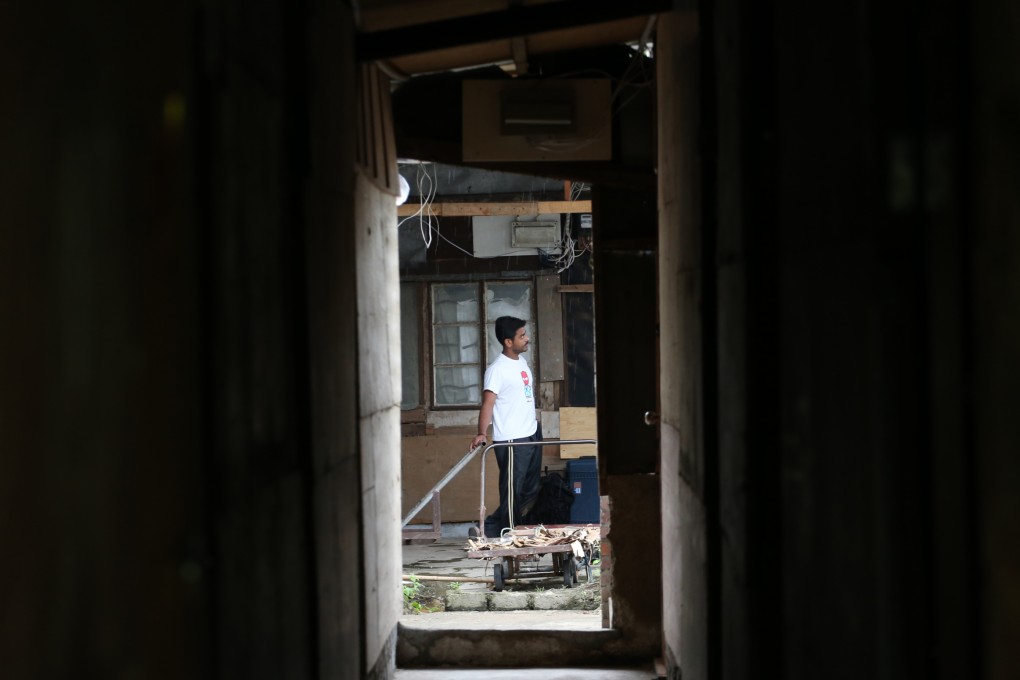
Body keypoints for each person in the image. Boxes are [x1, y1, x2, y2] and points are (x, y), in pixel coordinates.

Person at [470, 316, 543, 538]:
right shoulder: (496, 370)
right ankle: (508, 534)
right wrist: (482, 433)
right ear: (508, 342)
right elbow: (488, 404)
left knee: (530, 490)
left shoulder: (521, 363)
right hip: (511, 440)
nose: (527, 339)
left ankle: (492, 528)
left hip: (531, 433)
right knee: (511, 492)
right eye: (522, 336)